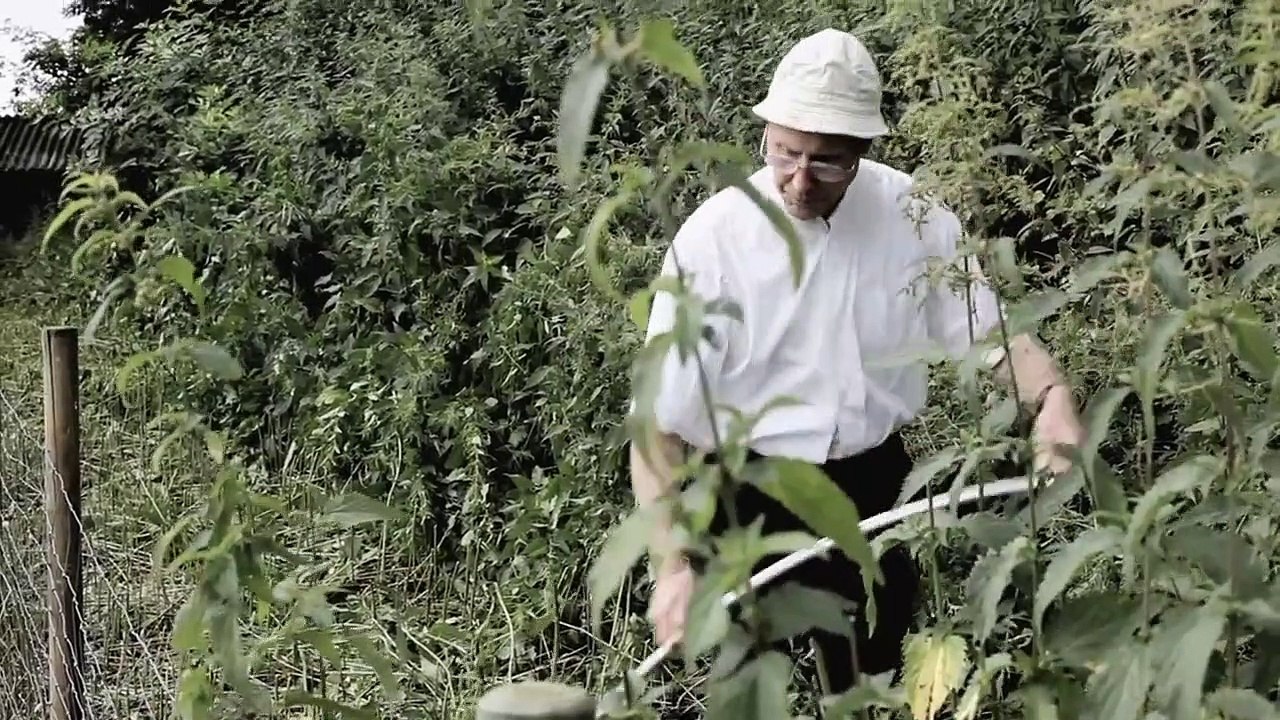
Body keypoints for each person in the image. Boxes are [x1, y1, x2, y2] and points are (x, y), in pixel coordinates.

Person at [628, 28, 1086, 695]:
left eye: (828, 161)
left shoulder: (916, 217)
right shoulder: (714, 242)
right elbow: (657, 426)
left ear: (865, 150)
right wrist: (673, 564)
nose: (800, 179)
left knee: (877, 675)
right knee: (756, 689)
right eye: (785, 152)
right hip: (747, 496)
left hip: (875, 488)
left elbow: (988, 338)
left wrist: (1052, 399)